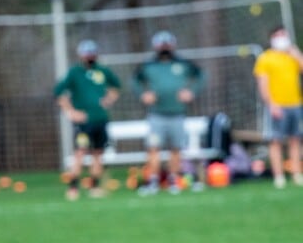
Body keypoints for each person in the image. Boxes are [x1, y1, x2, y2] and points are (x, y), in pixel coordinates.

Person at [132, 31, 206, 195]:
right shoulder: (148, 65)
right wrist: (143, 94)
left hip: (177, 114)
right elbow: (135, 81)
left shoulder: (183, 63)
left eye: (167, 44)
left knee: (176, 149)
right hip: (156, 115)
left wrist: (191, 91)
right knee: (153, 148)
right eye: (161, 44)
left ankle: (174, 180)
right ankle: (152, 181)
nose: (164, 47)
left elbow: (201, 76)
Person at [54, 40, 121, 201]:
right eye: (86, 53)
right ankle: (73, 187)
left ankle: (95, 187)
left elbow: (116, 87)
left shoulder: (102, 71)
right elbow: (58, 92)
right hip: (83, 122)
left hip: (101, 119)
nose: (89, 56)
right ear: (81, 55)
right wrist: (70, 111)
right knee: (80, 152)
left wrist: (109, 99)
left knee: (98, 152)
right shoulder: (75, 72)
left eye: (92, 53)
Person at [253, 26, 303, 189]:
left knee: (295, 139)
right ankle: (279, 176)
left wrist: (297, 55)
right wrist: (271, 104)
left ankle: (297, 174)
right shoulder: (266, 58)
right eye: (278, 35)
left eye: (284, 35)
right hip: (277, 105)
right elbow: (263, 84)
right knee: (276, 140)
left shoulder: (292, 57)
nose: (282, 38)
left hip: (295, 103)